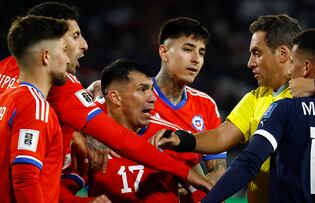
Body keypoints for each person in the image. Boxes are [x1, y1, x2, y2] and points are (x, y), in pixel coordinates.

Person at [0, 2, 214, 191]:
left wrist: (75, 131)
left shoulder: (5, 72)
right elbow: (120, 139)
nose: (84, 44)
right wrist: (186, 173)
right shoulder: (60, 90)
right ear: (49, 43)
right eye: (74, 36)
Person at [151, 14, 315, 203]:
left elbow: (247, 163)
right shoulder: (257, 97)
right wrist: (183, 139)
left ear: (283, 54)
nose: (250, 63)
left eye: (257, 53)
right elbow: (221, 137)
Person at [202, 28, 315, 202]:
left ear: (307, 66)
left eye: (292, 62)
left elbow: (248, 163)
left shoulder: (285, 108)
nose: (290, 70)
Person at [82, 58, 211, 202]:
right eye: (142, 89)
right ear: (116, 97)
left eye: (151, 89)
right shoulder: (89, 139)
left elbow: (202, 193)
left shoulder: (169, 137)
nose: (153, 99)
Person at [152, 16, 226, 202]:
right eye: (187, 49)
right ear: (164, 52)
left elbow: (218, 169)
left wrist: (193, 183)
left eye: (201, 52)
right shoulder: (138, 96)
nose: (196, 59)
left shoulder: (206, 104)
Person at [0, 15, 70, 203]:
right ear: (46, 56)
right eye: (64, 51)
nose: (67, 60)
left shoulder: (6, 98)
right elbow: (25, 179)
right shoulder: (34, 107)